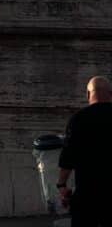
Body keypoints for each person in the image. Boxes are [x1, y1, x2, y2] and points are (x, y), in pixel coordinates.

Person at [58, 76, 112, 226]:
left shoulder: (78, 119)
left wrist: (61, 185)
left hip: (87, 194)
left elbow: (68, 156)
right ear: (111, 94)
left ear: (88, 95)